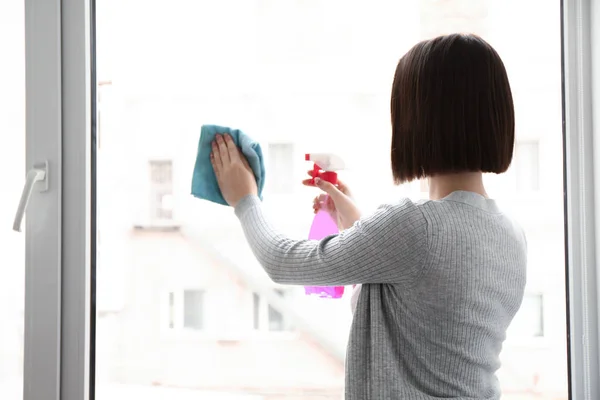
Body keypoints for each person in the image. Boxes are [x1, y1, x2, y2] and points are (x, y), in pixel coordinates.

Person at [210, 33, 527, 400]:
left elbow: (282, 261)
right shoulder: (511, 234)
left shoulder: (415, 226)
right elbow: (422, 315)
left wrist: (244, 199)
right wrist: (358, 228)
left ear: (418, 121)